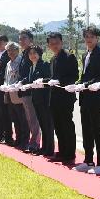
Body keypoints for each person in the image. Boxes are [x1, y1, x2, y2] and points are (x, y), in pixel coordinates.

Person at [71, 26, 100, 175]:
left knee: (96, 130)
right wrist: (78, 84)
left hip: (96, 98)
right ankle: (88, 160)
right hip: (85, 97)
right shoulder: (86, 54)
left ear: (97, 38)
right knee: (86, 129)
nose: (89, 39)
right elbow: (85, 75)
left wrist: (85, 84)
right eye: (86, 36)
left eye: (91, 37)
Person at [45, 32, 78, 164]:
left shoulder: (69, 57)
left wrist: (59, 81)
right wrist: (44, 80)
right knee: (57, 125)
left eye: (57, 43)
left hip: (65, 97)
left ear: (61, 42)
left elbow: (74, 76)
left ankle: (70, 154)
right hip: (54, 97)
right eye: (51, 44)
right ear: (48, 45)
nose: (54, 46)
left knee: (66, 125)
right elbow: (53, 77)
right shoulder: (53, 59)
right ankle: (62, 151)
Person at [20, 44, 54, 156]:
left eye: (35, 53)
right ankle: (44, 148)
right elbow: (30, 80)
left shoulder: (44, 65)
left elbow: (50, 79)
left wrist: (42, 80)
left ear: (40, 54)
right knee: (42, 125)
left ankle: (49, 149)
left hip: (44, 99)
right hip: (35, 99)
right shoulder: (31, 67)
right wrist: (21, 83)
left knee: (47, 125)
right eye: (30, 53)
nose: (32, 55)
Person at [0, 42, 28, 150]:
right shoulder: (8, 63)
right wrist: (5, 86)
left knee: (22, 119)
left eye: (12, 50)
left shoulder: (21, 61)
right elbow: (7, 78)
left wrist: (14, 85)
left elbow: (21, 77)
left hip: (18, 94)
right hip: (9, 94)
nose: (10, 52)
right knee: (15, 119)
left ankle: (25, 141)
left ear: (17, 50)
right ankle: (18, 139)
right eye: (8, 50)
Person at [17, 30, 41, 151]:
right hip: (24, 89)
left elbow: (32, 73)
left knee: (33, 118)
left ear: (31, 39)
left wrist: (24, 82)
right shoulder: (24, 53)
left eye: (24, 38)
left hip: (31, 89)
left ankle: (35, 143)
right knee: (29, 118)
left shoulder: (32, 52)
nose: (21, 41)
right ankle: (31, 142)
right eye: (20, 39)